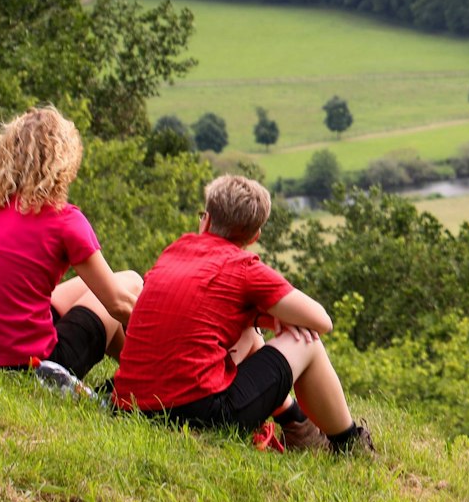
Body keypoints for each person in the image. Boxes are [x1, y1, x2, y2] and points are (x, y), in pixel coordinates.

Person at [113, 174, 373, 454]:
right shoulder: (243, 268)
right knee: (306, 341)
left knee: (249, 332)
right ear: (254, 236)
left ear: (207, 220)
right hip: (196, 416)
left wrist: (253, 318)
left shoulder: (175, 251)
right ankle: (349, 444)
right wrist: (266, 316)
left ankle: (298, 427)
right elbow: (321, 321)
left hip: (130, 406)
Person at [0, 106, 141, 380]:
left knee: (91, 286)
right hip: (33, 366)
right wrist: (162, 346)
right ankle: (149, 372)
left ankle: (133, 372)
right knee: (130, 281)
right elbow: (119, 305)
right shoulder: (64, 220)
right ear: (64, 162)